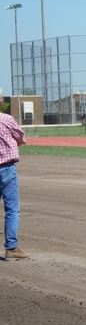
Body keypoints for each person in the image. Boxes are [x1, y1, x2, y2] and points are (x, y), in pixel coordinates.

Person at [0, 88, 29, 260]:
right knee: (11, 210)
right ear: (1, 102)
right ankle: (11, 248)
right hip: (6, 169)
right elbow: (22, 139)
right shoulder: (6, 119)